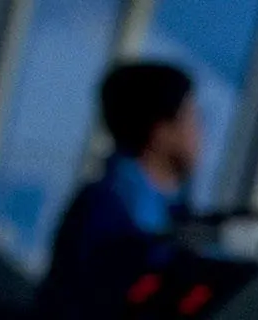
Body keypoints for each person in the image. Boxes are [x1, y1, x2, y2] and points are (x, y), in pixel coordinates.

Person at [38, 63, 202, 319]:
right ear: (160, 131)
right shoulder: (103, 211)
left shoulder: (176, 215)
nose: (199, 132)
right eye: (191, 118)